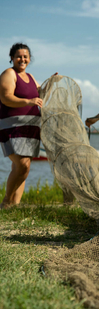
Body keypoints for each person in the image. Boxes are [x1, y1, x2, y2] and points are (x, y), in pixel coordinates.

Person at [0, 43, 43, 208]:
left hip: (30, 128)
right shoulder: (9, 74)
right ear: (12, 58)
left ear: (29, 59)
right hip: (12, 127)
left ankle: (14, 206)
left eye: (25, 56)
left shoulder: (31, 77)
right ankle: (6, 201)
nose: (22, 59)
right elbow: (6, 98)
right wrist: (28, 101)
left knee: (22, 168)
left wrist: (52, 82)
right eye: (18, 56)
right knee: (23, 164)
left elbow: (42, 92)